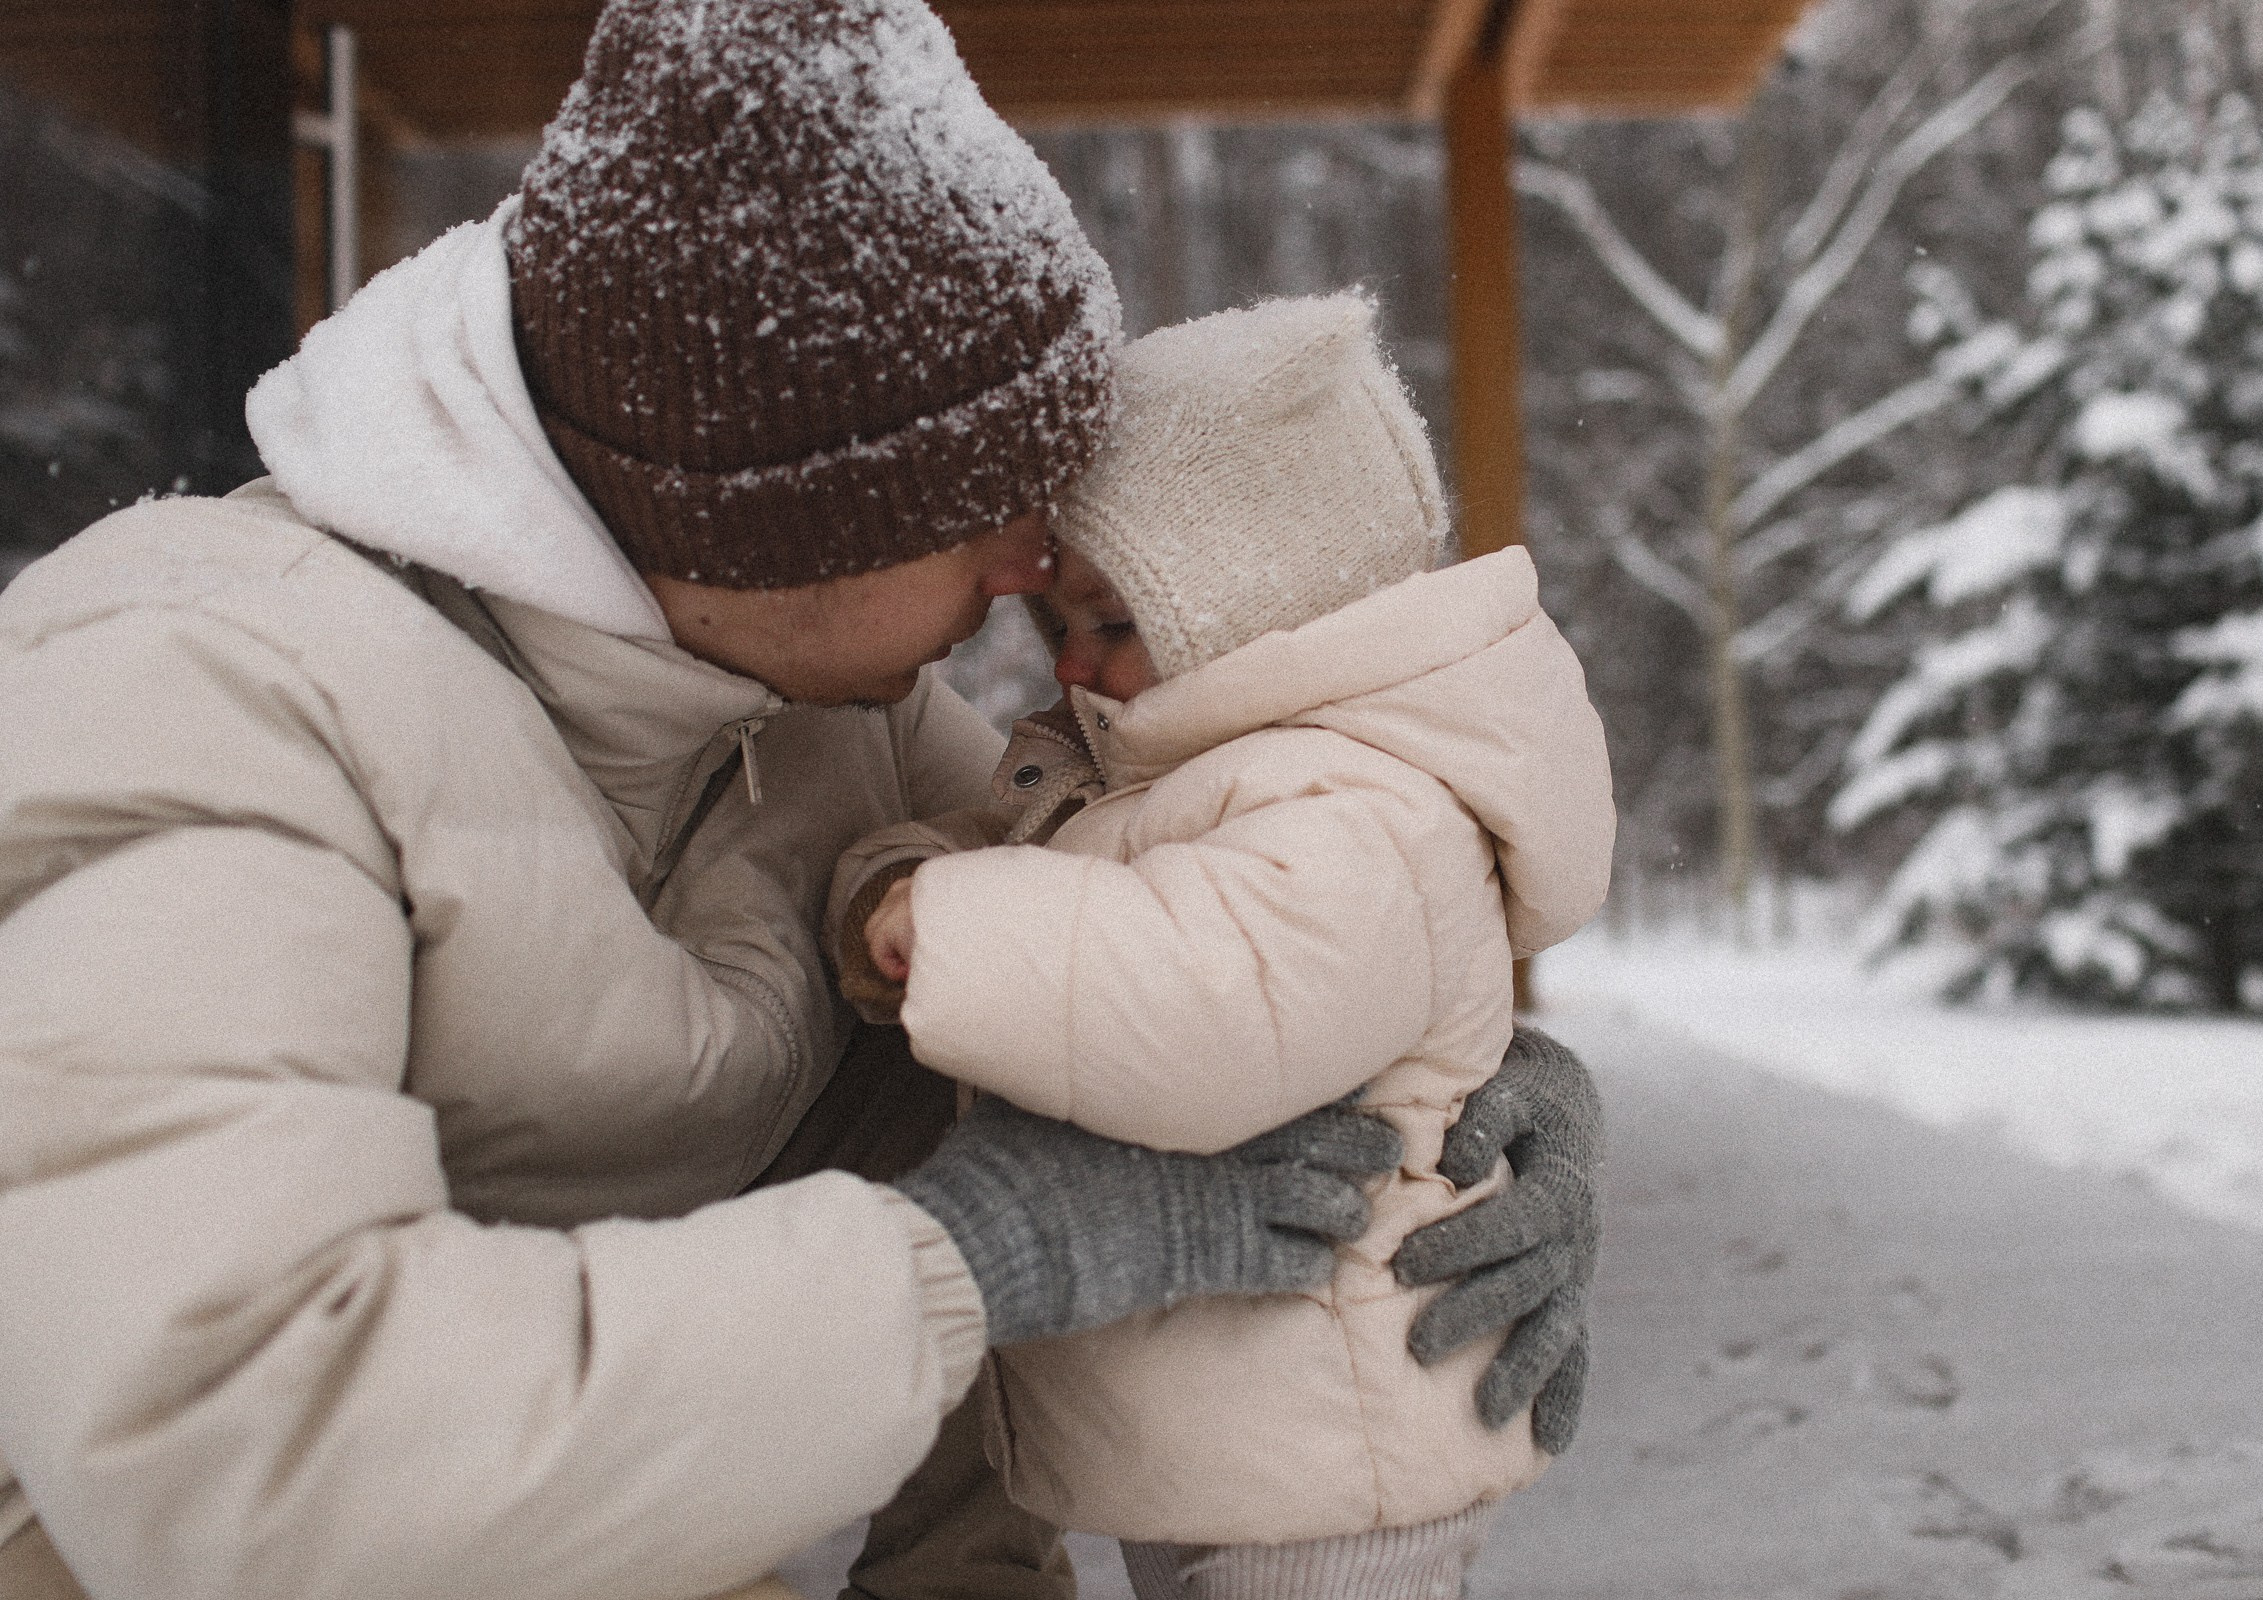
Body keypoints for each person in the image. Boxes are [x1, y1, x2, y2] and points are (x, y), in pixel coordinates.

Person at [0, 2, 1602, 1598]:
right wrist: (977, 1259)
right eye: (984, 502)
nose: (1034, 565)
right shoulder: (192, 689)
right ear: (773, 526)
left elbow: (1154, 927)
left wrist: (1441, 1073)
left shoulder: (834, 711)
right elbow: (244, 1454)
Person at [830, 293, 1615, 1599]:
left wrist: (951, 933)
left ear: (1257, 598)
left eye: (1117, 624)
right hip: (1236, 1432)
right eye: (1059, 627)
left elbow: (1212, 1014)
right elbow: (982, 856)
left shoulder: (1352, 804)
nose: (1077, 666)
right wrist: (900, 896)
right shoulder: (1166, 775)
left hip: (1334, 1460)